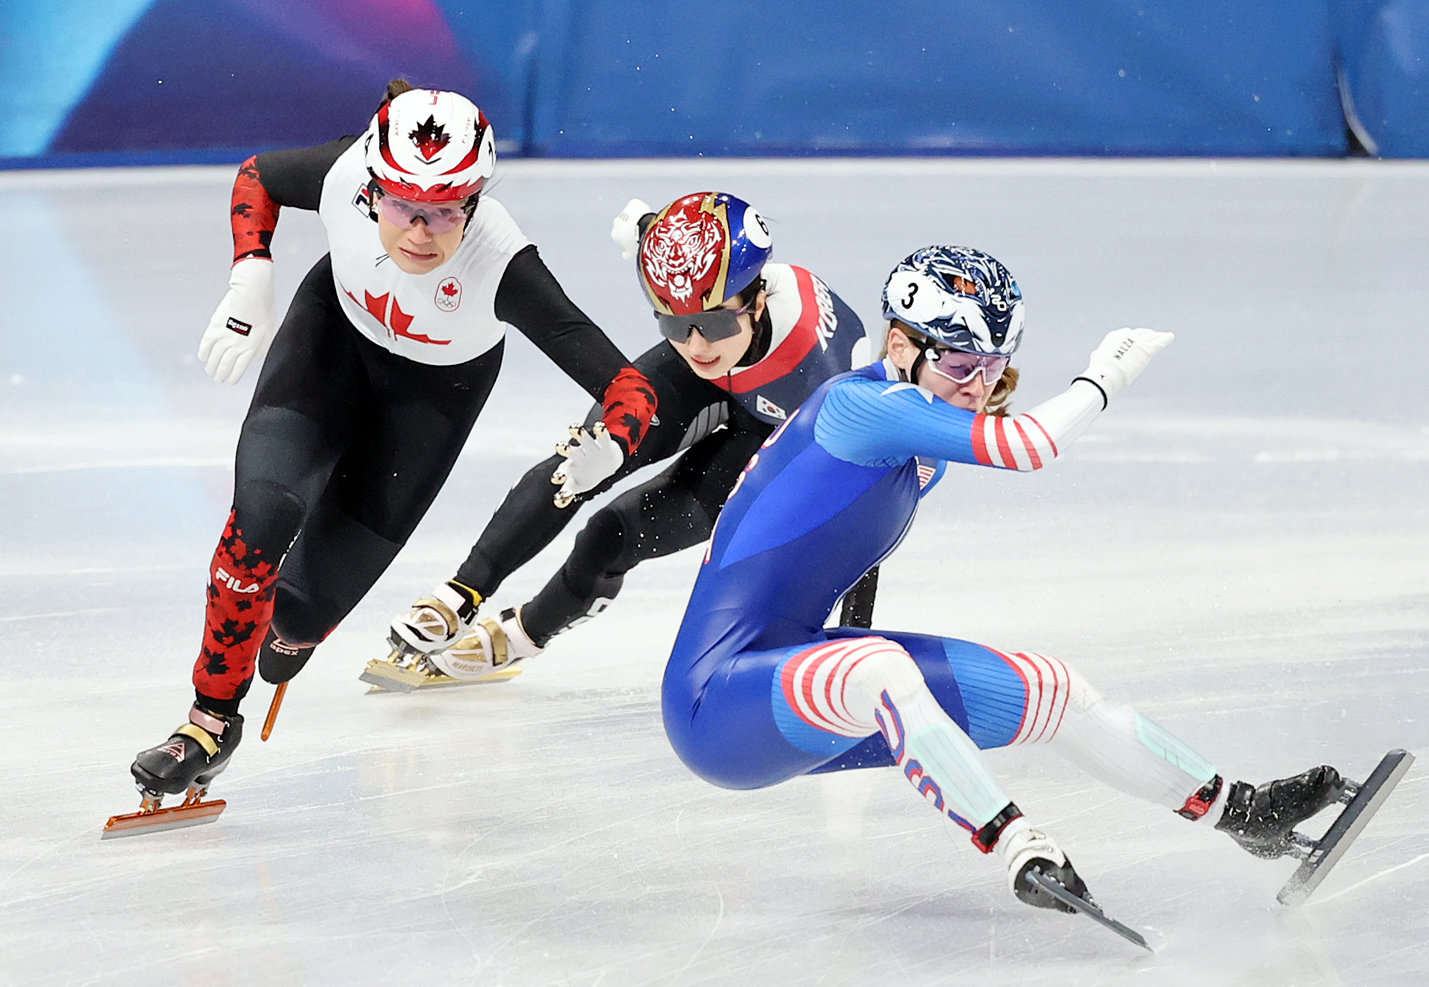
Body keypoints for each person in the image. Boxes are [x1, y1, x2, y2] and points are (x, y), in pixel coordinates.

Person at [658, 245, 1346, 911]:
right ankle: (1020, 848)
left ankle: (1240, 812)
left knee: (1053, 688)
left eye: (991, 367)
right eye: (959, 363)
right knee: (877, 666)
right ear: (899, 346)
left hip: (798, 678)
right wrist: (1104, 377)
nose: (976, 386)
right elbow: (1030, 445)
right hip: (715, 704)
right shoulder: (857, 408)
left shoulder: (920, 439)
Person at [126, 82, 657, 808]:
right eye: (404, 205)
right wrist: (252, 271)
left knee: (295, 622)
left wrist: (614, 441)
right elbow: (257, 175)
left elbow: (629, 385)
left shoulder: (501, 262)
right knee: (260, 522)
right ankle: (209, 723)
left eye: (447, 209)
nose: (422, 232)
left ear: (474, 202)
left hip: (430, 402)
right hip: (329, 347)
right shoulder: (345, 174)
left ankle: (286, 634)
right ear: (373, 189)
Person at [381, 191, 866, 681]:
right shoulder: (681, 268)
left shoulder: (825, 382)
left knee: (611, 537)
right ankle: (460, 594)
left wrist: (856, 642)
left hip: (781, 432)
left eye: (715, 321)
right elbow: (673, 242)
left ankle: (522, 635)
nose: (696, 343)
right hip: (716, 384)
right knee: (578, 466)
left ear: (758, 302)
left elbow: (867, 510)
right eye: (673, 321)